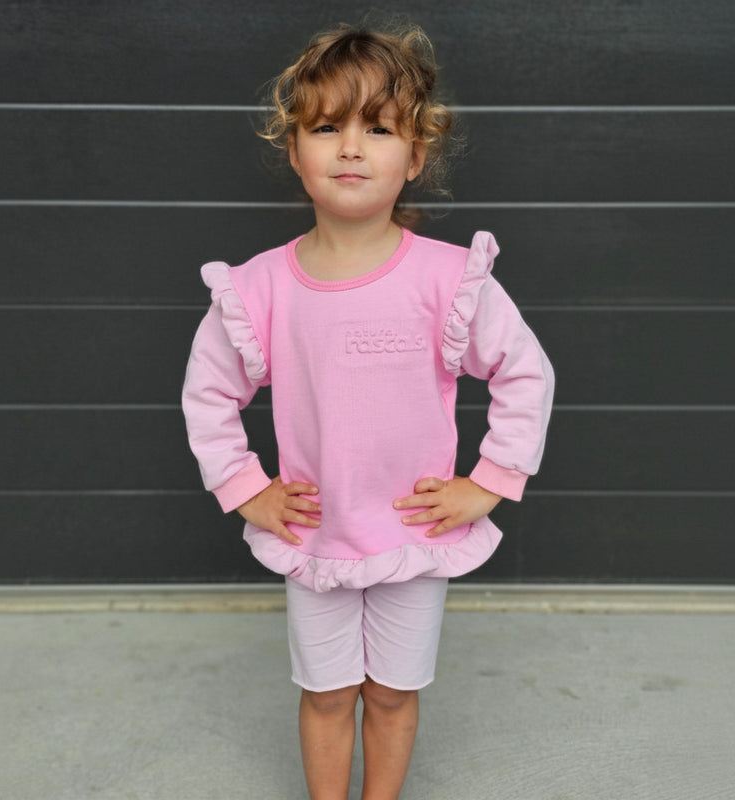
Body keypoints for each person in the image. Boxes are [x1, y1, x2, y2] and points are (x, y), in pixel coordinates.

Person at [182, 22, 554, 800]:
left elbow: (526, 371)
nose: (351, 148)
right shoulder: (261, 290)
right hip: (315, 533)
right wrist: (248, 489)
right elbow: (209, 394)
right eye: (327, 127)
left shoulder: (448, 280)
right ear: (295, 150)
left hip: (415, 535)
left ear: (414, 155)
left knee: (390, 692)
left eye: (377, 128)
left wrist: (488, 480)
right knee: (325, 695)